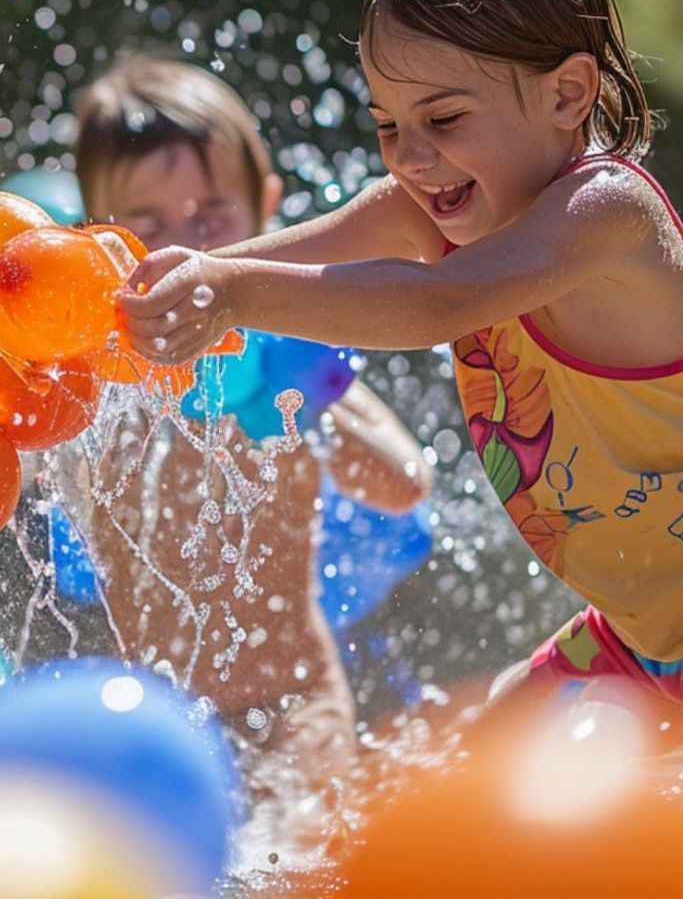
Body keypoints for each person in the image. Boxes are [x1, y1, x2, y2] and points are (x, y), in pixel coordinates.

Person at [117, 0, 683, 842]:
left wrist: (230, 296)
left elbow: (438, 302)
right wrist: (187, 281)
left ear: (566, 95)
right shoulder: (438, 201)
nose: (413, 158)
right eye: (389, 124)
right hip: (635, 629)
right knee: (457, 825)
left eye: (443, 117)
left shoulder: (606, 215)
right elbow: (310, 245)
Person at [49, 53, 433, 858]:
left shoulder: (293, 343)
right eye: (148, 226)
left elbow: (404, 481)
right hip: (148, 716)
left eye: (211, 218)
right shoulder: (94, 376)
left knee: (300, 861)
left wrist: (306, 410)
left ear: (267, 210)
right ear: (96, 235)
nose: (186, 250)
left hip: (292, 698)